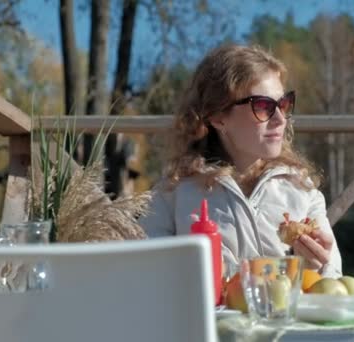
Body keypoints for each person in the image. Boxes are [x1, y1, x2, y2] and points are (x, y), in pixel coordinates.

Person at [138, 44, 342, 278]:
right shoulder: (173, 194)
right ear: (217, 116)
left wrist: (318, 268)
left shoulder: (302, 191)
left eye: (283, 104)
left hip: (286, 315)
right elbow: (147, 277)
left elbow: (334, 282)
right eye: (263, 106)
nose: (280, 119)